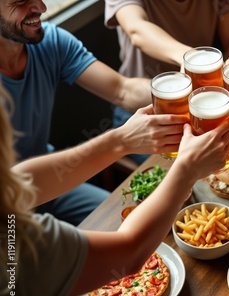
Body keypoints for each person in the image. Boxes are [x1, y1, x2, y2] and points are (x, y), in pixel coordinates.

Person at [0, 80, 229, 296]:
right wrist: (186, 170)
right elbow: (129, 252)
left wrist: (121, 140)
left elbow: (22, 181)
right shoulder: (16, 244)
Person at [0, 0, 163, 225]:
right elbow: (11, 188)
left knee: (130, 221)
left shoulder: (50, 41)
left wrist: (189, 86)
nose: (41, 7)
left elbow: (122, 90)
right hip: (7, 206)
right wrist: (121, 140)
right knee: (22, 259)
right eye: (21, 1)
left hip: (50, 182)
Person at [104, 0, 229, 164]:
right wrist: (189, 57)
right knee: (189, 176)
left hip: (202, 108)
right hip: (142, 113)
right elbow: (137, 30)